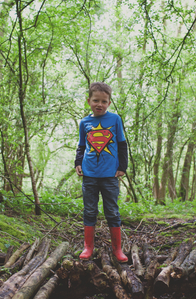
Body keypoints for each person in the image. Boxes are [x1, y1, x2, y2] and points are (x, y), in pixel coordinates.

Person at [74, 82, 128, 262]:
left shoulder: (115, 119)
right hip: (89, 174)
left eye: (104, 101)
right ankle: (88, 247)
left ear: (109, 103)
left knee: (112, 211)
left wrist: (122, 167)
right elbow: (82, 146)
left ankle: (117, 249)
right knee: (90, 210)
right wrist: (78, 163)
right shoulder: (84, 122)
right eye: (96, 100)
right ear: (89, 101)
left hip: (110, 175)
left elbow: (121, 143)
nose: (99, 104)